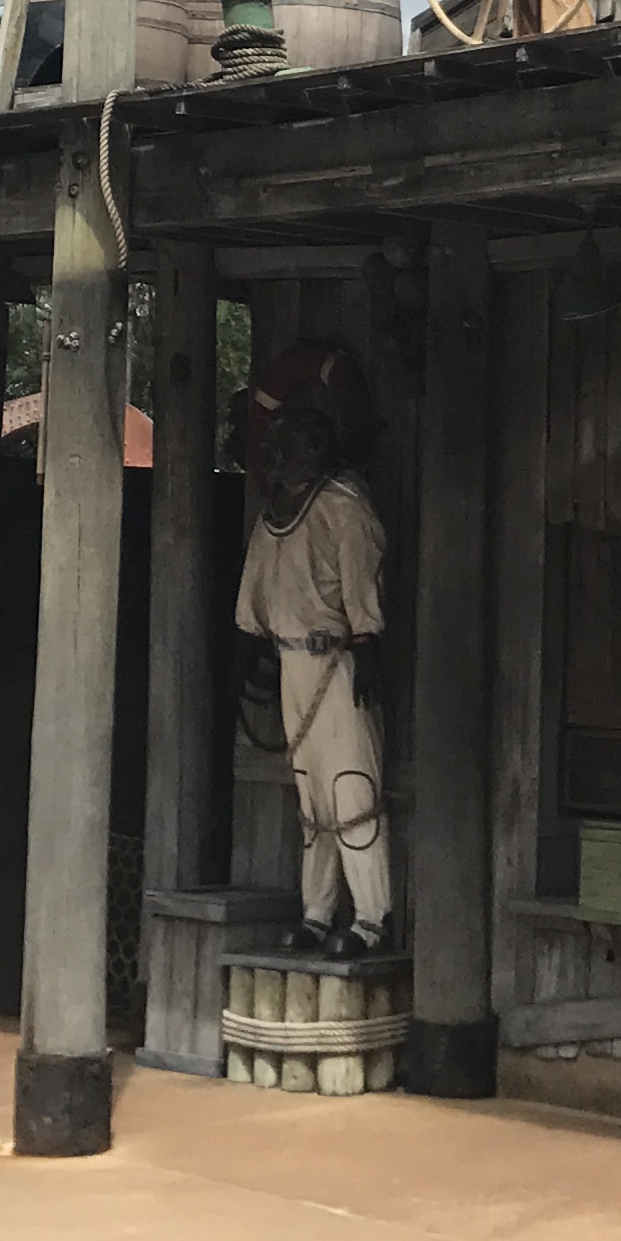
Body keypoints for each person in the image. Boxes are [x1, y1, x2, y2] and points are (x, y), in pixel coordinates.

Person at [234, 400, 393, 955]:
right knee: (311, 799)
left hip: (336, 661)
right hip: (290, 663)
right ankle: (318, 912)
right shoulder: (273, 514)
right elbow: (256, 591)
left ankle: (371, 916)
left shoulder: (342, 507)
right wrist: (251, 645)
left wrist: (368, 638)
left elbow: (361, 573)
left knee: (352, 788)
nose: (274, 459)